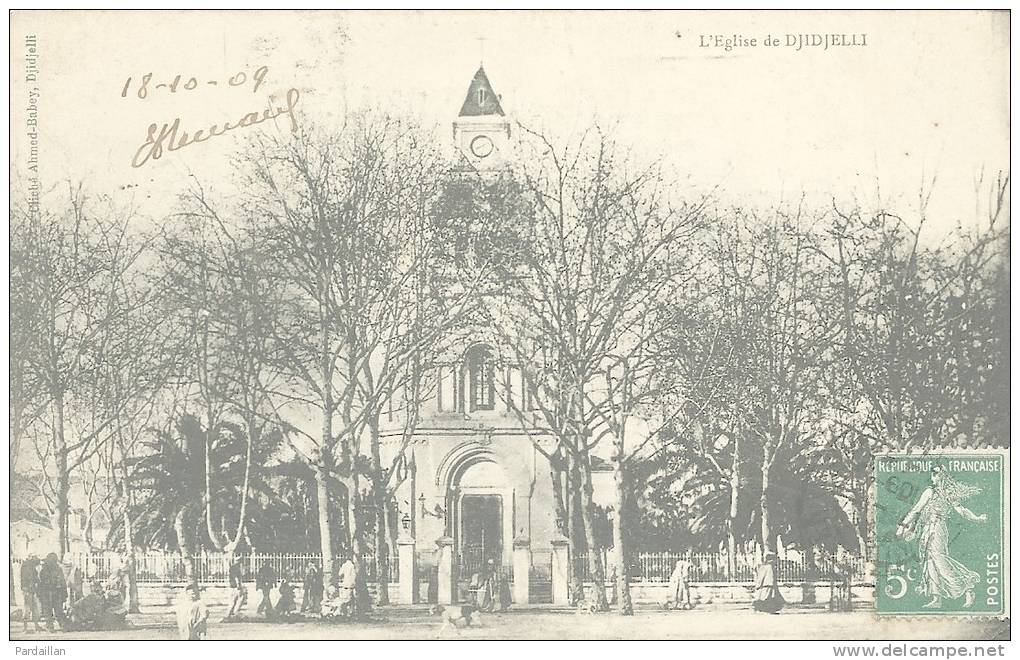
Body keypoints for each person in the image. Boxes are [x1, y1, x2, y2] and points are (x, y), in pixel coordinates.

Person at [897, 465, 987, 608]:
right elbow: (916, 510)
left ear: (945, 476)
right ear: (932, 477)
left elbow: (961, 510)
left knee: (939, 559)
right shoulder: (929, 491)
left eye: (939, 474)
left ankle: (968, 587)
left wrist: (977, 518)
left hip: (938, 528)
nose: (936, 477)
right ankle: (936, 598)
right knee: (929, 561)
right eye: (934, 474)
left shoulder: (948, 494)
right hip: (927, 529)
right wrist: (903, 525)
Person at [38, 553, 69, 631]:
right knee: (59, 610)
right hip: (57, 593)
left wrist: (40, 594)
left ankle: (50, 626)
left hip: (47, 593)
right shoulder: (58, 569)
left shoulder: (44, 570)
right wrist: (64, 594)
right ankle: (63, 626)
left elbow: (41, 583)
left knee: (48, 611)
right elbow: (62, 582)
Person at [19, 555, 43, 632]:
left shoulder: (30, 566)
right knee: (28, 608)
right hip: (28, 590)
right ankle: (25, 627)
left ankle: (35, 626)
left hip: (31, 590)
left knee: (34, 608)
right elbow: (28, 579)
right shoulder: (27, 567)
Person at [224, 555, 247, 620]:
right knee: (240, 600)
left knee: (233, 601)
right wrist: (238, 585)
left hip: (232, 586)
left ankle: (228, 615)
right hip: (236, 587)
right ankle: (236, 612)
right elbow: (236, 577)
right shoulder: (236, 568)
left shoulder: (232, 567)